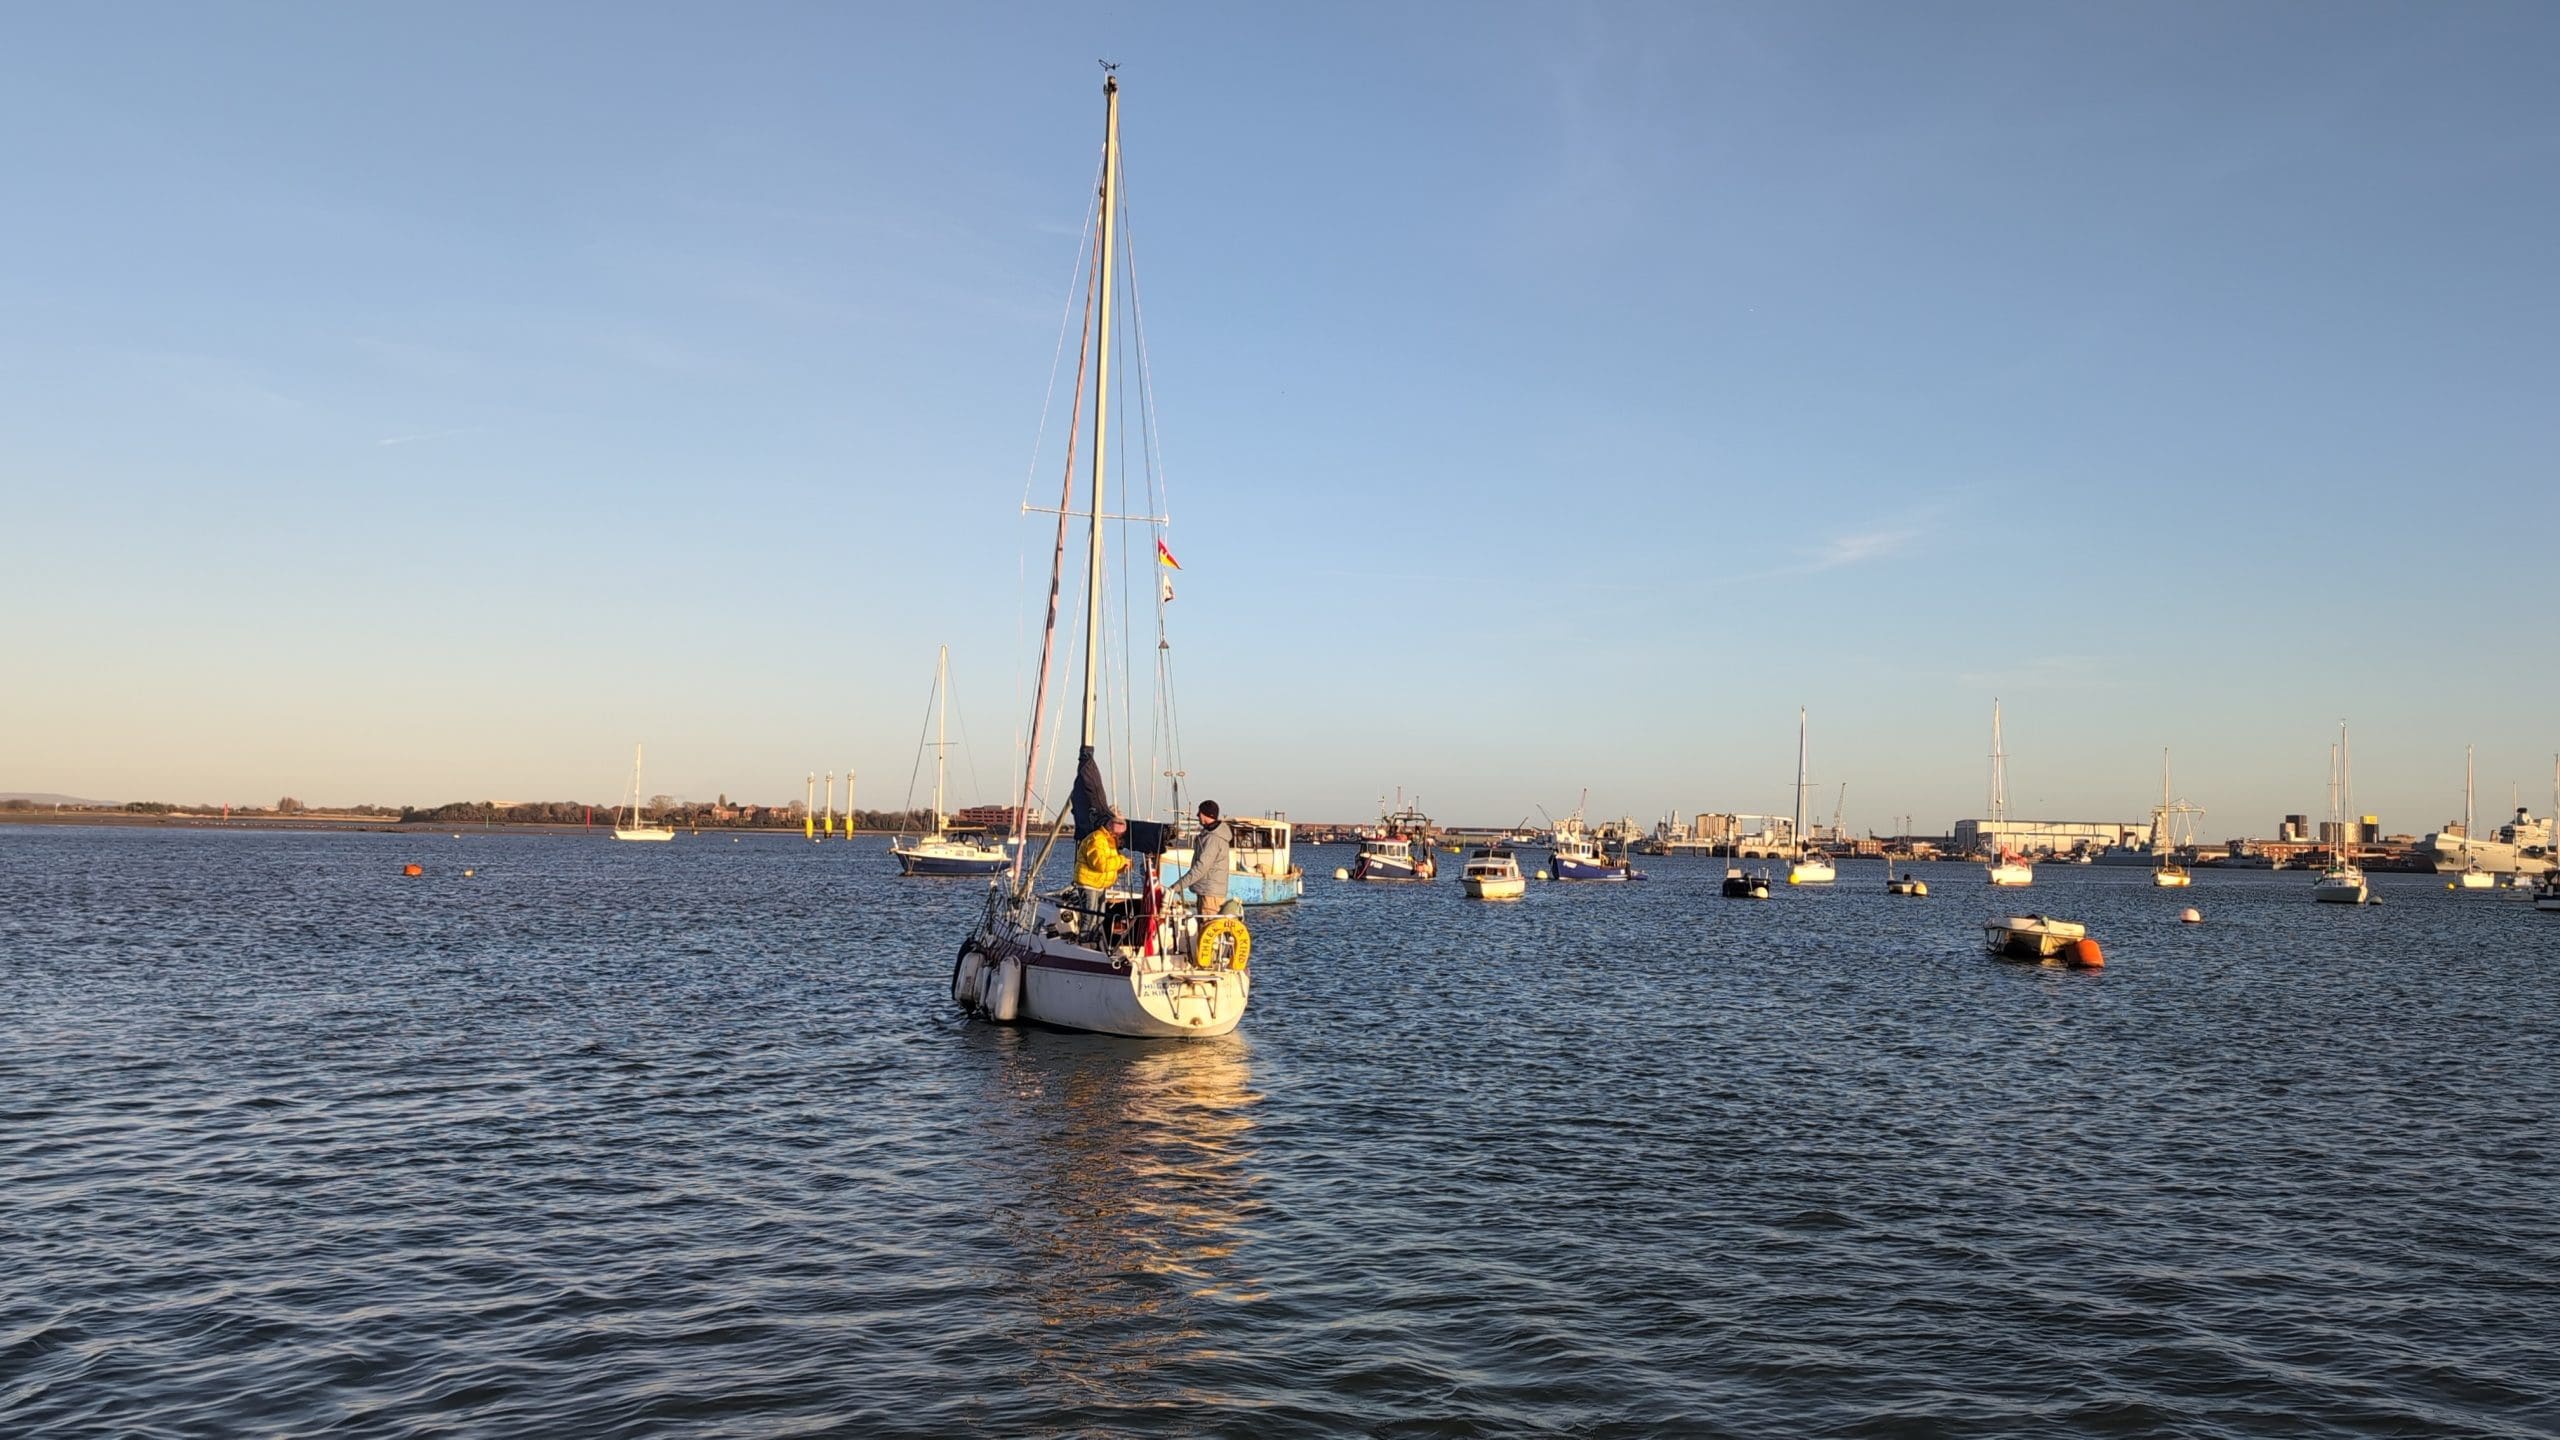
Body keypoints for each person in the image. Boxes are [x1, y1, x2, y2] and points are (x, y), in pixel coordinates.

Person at [1169, 800, 1232, 913]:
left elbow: (1200, 868)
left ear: (1207, 815)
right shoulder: (1208, 835)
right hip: (1206, 892)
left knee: (1207, 928)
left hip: (1210, 896)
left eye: (1200, 812)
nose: (1197, 815)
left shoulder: (1213, 839)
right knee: (1203, 927)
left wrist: (1176, 887)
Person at [1076, 810, 1129, 919]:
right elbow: (1100, 865)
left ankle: (1095, 936)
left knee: (1100, 918)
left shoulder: (1110, 841)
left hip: (1100, 884)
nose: (1118, 836)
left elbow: (1110, 865)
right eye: (1117, 833)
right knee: (1089, 918)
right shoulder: (1097, 839)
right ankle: (1085, 936)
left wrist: (1123, 866)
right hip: (1089, 883)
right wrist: (1121, 860)